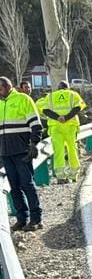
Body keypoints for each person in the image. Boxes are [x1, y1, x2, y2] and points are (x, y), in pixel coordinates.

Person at [0, 76, 43, 231]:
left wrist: (33, 143)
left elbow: (36, 125)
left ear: (7, 87)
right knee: (14, 186)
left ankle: (36, 219)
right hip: (5, 153)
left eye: (0, 89)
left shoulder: (23, 99)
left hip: (22, 151)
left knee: (27, 184)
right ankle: (21, 218)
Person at [36, 81, 86, 183]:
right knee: (72, 149)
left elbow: (44, 110)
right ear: (67, 88)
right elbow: (78, 107)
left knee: (58, 151)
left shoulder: (51, 96)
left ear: (58, 88)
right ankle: (73, 175)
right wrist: (66, 117)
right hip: (70, 126)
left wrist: (57, 117)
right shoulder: (73, 94)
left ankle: (61, 177)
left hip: (56, 127)